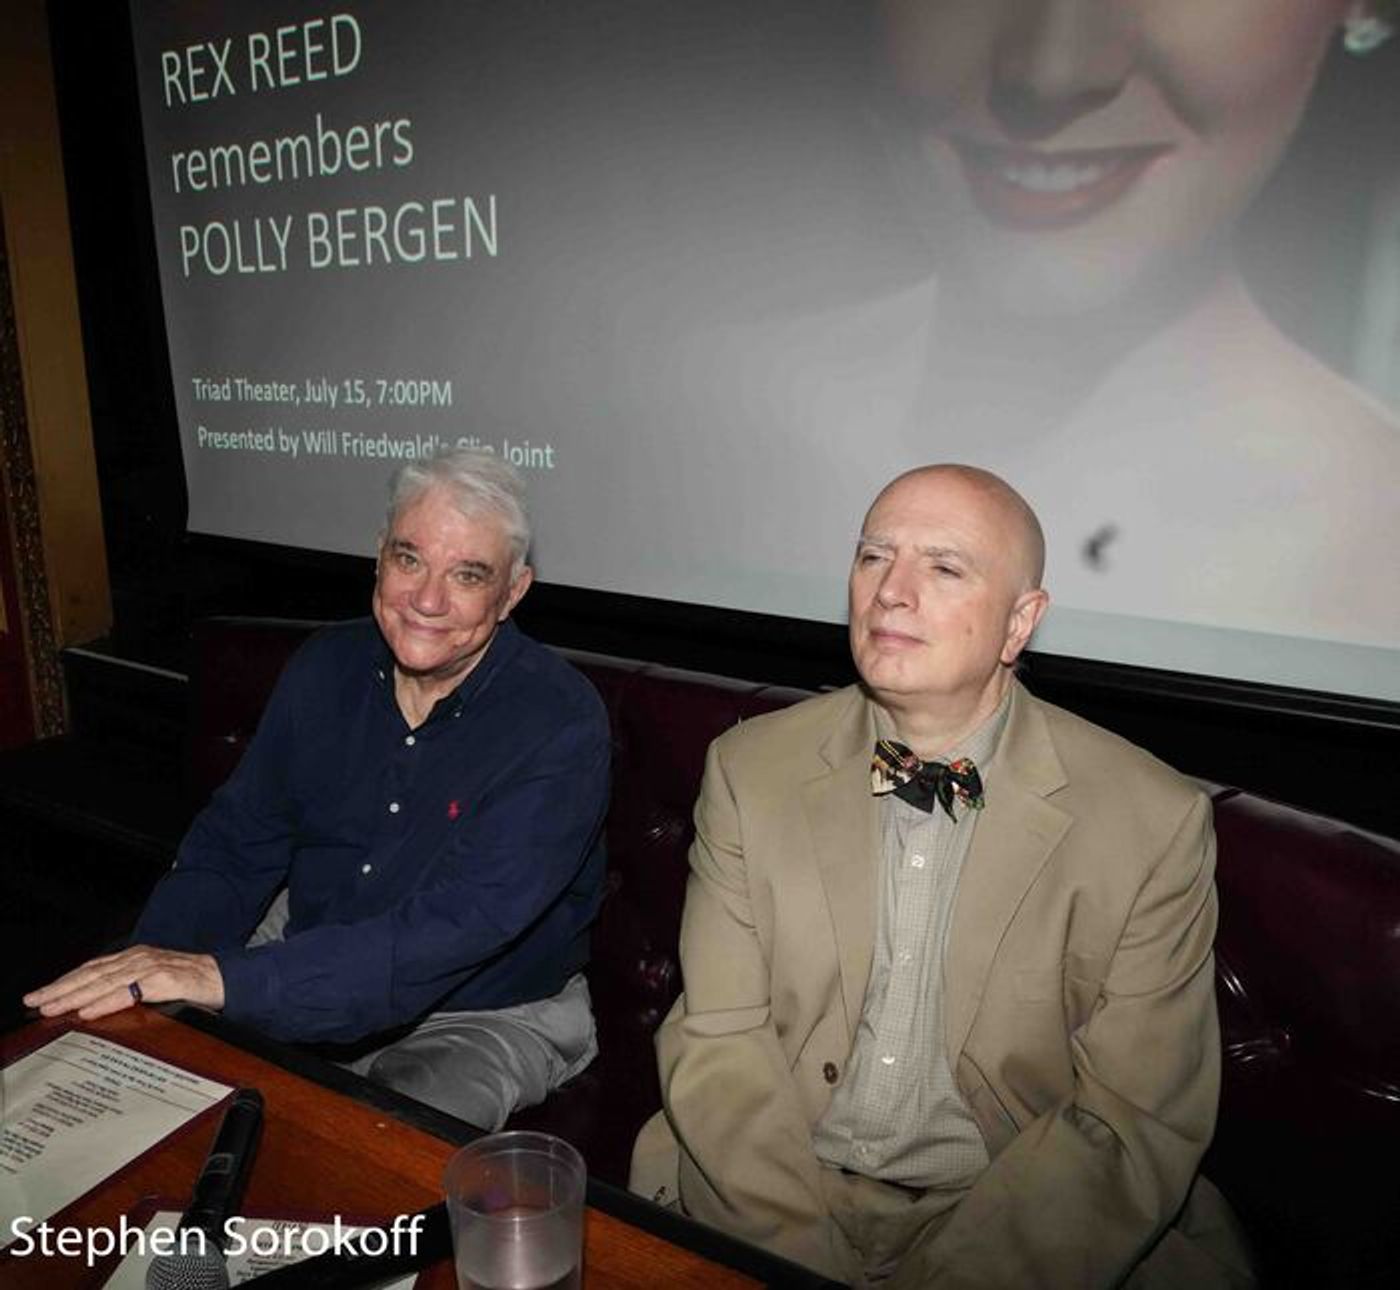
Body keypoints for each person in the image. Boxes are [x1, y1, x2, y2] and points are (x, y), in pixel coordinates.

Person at [631, 464, 1253, 1287]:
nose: (890, 591)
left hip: (1019, 1215)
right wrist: (801, 1262)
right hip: (769, 1188)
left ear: (1019, 622)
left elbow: (1128, 1121)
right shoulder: (751, 770)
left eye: (944, 567)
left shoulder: (1149, 821)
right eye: (872, 557)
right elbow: (719, 1041)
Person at [24, 448, 610, 1132]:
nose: (426, 599)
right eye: (409, 558)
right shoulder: (325, 666)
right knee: (121, 1100)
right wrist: (147, 973)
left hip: (482, 1009)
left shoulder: (559, 723)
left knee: (376, 1157)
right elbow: (236, 845)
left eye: (468, 574)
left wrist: (224, 980)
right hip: (305, 948)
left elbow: (443, 935)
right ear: (378, 557)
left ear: (513, 592)